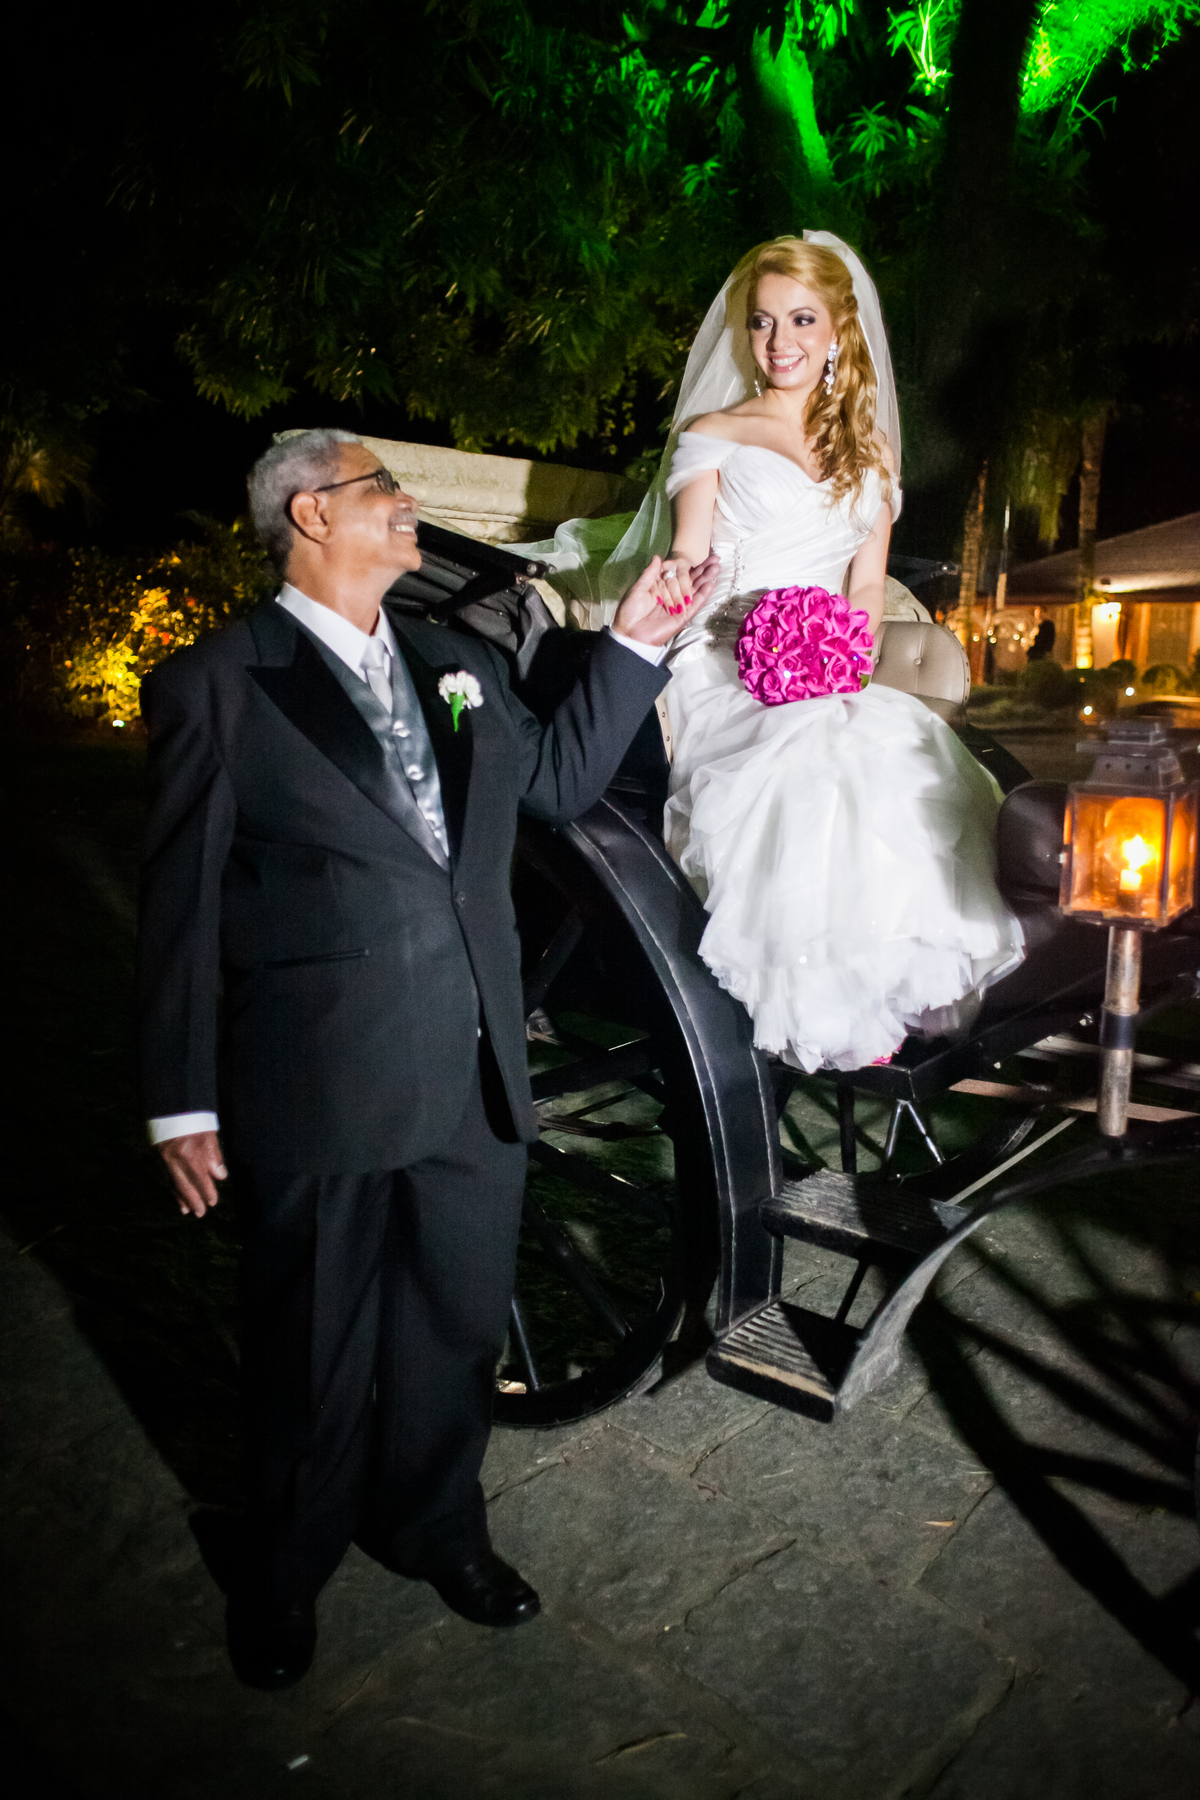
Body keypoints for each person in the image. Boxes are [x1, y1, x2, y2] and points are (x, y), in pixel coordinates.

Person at [138, 428, 705, 1689]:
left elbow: (553, 786)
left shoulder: (457, 664)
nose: (405, 506)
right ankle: (285, 1571)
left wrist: (639, 642)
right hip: (318, 1078)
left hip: (477, 1070)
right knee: (310, 1341)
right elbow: (178, 913)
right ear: (308, 518)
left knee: (453, 1327)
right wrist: (180, 1101)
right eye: (380, 489)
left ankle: (439, 1526)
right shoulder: (217, 685)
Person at [629, 234, 1023, 1070]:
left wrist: (841, 661)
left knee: (897, 750)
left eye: (801, 319)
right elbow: (691, 560)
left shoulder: (869, 455)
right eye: (764, 322)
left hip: (828, 663)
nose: (780, 343)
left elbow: (868, 591)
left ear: (839, 329)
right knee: (805, 764)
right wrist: (732, 638)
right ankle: (825, 1004)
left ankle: (885, 994)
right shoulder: (716, 433)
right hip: (727, 655)